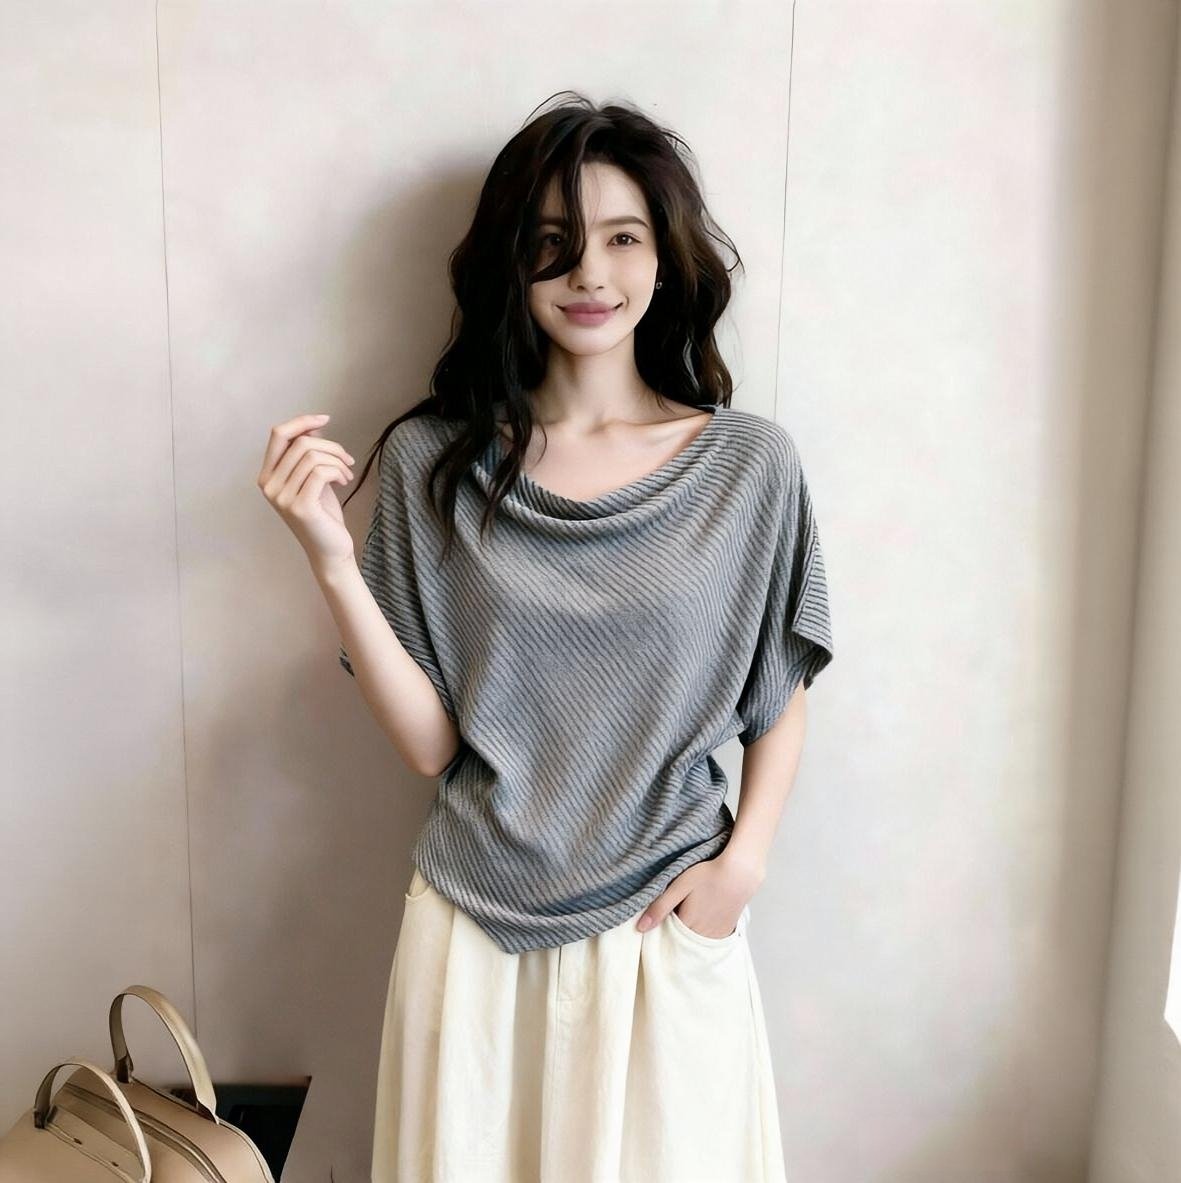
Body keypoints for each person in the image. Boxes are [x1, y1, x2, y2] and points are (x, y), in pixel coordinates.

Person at [259, 91, 833, 1183]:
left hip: (666, 922)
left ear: (665, 257)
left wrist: (742, 867)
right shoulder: (434, 464)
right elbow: (430, 745)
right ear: (510, 264)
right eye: (553, 242)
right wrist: (331, 559)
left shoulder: (749, 467)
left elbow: (778, 691)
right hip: (475, 928)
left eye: (622, 238)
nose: (589, 274)